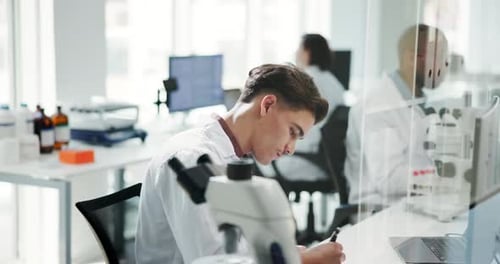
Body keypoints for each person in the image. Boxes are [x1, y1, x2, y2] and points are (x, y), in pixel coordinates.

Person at [135, 64, 346, 263]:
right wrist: (299, 260)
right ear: (268, 105)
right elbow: (213, 260)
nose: (290, 149)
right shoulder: (191, 158)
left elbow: (237, 246)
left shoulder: (232, 159)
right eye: (292, 131)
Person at [344, 24, 449, 205]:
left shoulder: (416, 102)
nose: (444, 65)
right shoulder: (377, 106)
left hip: (413, 203)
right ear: (411, 58)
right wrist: (443, 179)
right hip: (379, 211)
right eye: (438, 57)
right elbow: (389, 178)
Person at [259, 33, 346, 182]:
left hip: (307, 159)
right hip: (327, 161)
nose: (296, 53)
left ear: (307, 52)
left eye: (299, 49)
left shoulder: (306, 82)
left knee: (256, 158)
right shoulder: (334, 82)